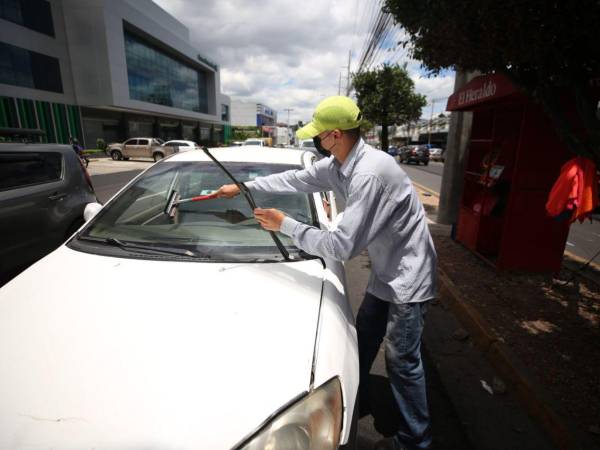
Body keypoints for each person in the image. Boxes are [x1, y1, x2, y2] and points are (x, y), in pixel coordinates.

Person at [216, 96, 437, 450]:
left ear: (335, 135)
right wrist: (244, 187)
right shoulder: (339, 164)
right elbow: (295, 179)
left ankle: (416, 441)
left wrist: (283, 223)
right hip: (385, 268)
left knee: (402, 360)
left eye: (319, 135)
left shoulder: (368, 173)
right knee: (363, 337)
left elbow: (341, 247)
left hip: (409, 274)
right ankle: (354, 400)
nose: (315, 141)